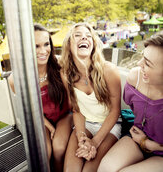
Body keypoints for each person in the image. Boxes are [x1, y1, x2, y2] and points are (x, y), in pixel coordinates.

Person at [8, 23, 72, 172]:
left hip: (64, 115)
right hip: (40, 119)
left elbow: (71, 102)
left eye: (46, 44)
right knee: (43, 153)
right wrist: (49, 128)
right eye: (36, 46)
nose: (43, 51)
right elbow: (30, 110)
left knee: (59, 148)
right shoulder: (16, 79)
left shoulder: (60, 65)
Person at [59, 22, 121, 172]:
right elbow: (76, 109)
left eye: (88, 36)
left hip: (109, 127)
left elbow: (115, 111)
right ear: (69, 44)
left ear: (93, 44)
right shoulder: (65, 73)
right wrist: (82, 138)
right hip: (84, 124)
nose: (84, 39)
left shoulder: (109, 70)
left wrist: (94, 142)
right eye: (78, 36)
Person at [98, 31, 163, 172]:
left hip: (160, 151)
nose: (139, 64)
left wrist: (150, 144)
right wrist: (141, 140)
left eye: (148, 63)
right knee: (105, 169)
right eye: (142, 57)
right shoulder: (135, 78)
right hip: (136, 137)